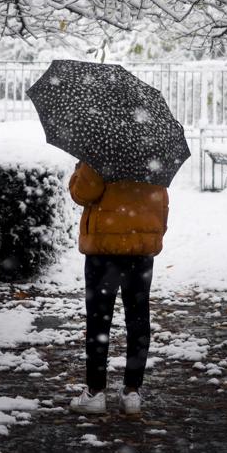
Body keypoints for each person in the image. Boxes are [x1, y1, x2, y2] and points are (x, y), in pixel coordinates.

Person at [67, 159, 168, 415]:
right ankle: (132, 392)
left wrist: (81, 169)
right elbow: (162, 206)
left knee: (99, 319)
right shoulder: (151, 156)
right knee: (138, 318)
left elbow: (82, 193)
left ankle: (95, 392)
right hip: (139, 252)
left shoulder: (101, 151)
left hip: (104, 250)